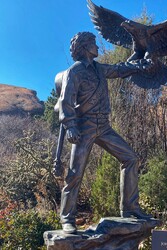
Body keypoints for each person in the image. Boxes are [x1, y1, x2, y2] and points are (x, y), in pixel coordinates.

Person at [57, 31, 153, 234]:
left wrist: (138, 66)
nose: (98, 47)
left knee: (130, 158)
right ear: (84, 47)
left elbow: (119, 69)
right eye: (93, 43)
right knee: (75, 174)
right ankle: (67, 218)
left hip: (104, 126)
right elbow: (66, 101)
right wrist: (71, 126)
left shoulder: (100, 68)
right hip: (84, 127)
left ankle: (130, 208)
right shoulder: (74, 71)